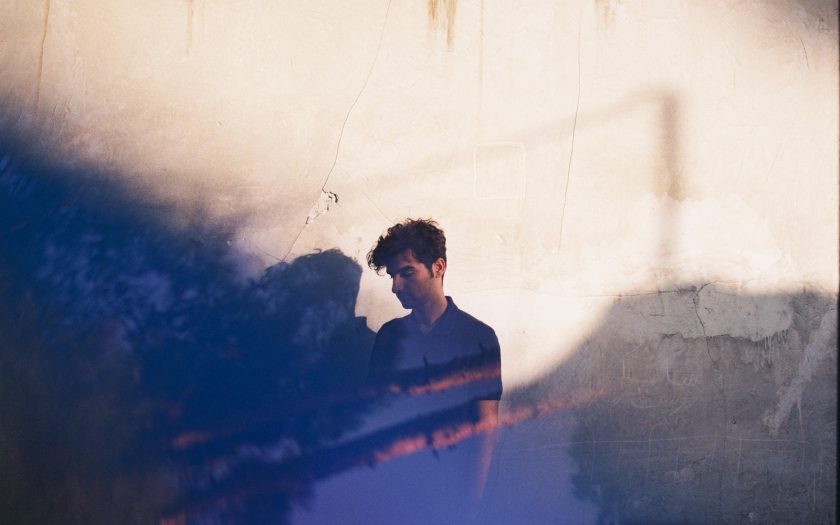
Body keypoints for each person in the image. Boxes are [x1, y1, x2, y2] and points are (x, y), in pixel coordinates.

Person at [365, 218, 502, 522]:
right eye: (392, 275)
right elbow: (374, 415)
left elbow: (486, 426)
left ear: (438, 267)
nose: (395, 285)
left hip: (449, 492)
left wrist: (471, 505)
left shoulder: (477, 337)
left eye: (407, 272)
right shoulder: (390, 336)